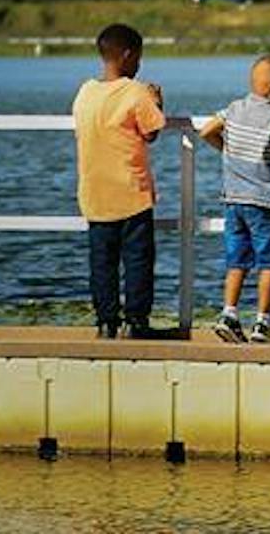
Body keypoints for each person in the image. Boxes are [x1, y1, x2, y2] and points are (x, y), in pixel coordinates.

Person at [71, 23, 166, 340]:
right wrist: (158, 102)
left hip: (95, 192)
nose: (139, 63)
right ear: (128, 55)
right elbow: (151, 132)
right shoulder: (136, 91)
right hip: (131, 191)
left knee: (102, 262)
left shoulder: (86, 91)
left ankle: (105, 320)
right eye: (138, 57)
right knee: (138, 260)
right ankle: (136, 321)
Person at [198, 55, 270, 344]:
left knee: (237, 260)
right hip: (264, 201)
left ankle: (229, 314)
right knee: (269, 262)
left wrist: (227, 151)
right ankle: (262, 322)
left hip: (233, 200)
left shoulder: (234, 108)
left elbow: (206, 131)